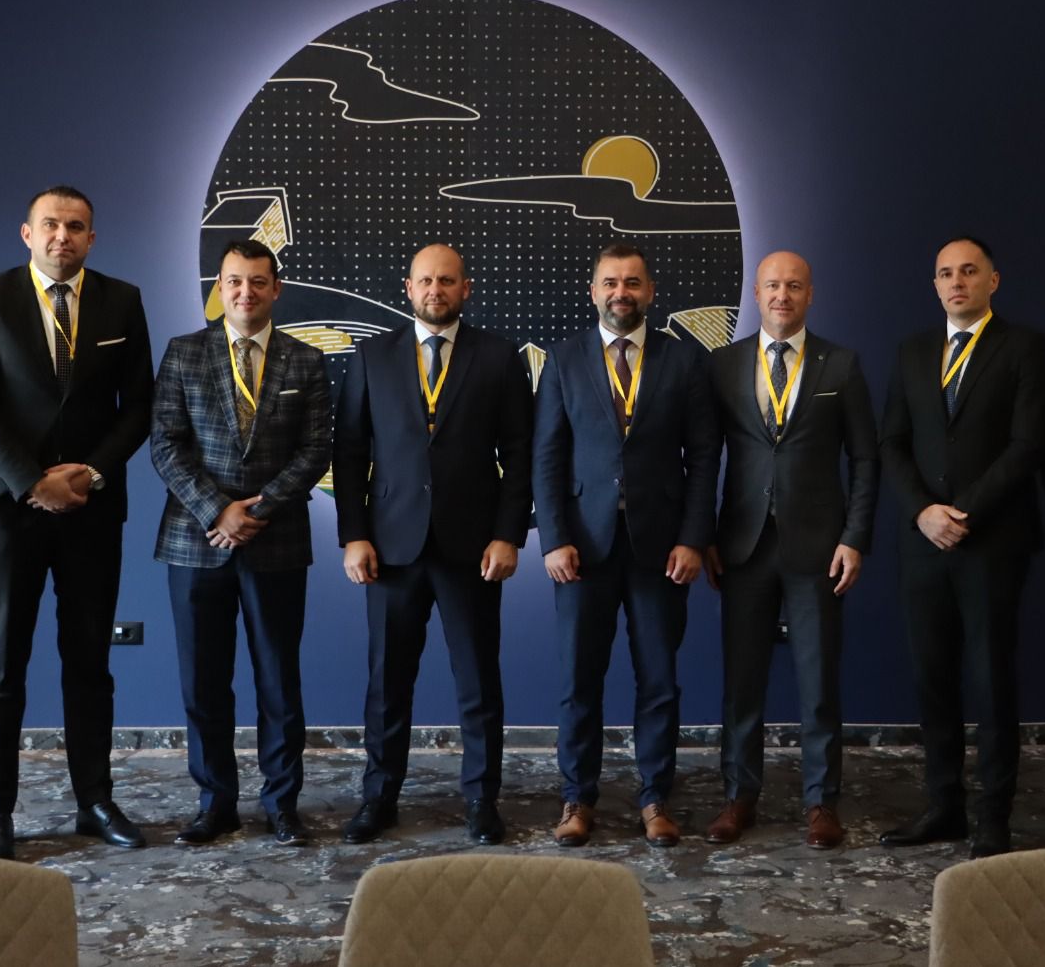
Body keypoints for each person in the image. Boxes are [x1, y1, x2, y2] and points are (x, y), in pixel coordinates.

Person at [0, 185, 153, 860]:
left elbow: (139, 406)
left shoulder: (121, 300)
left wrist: (88, 475)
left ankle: (94, 801)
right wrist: (33, 481)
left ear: (92, 238)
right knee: (1, 668)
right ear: (27, 233)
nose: (62, 235)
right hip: (9, 510)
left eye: (75, 226)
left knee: (90, 663)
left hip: (91, 510)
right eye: (50, 224)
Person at [333, 244, 533, 846]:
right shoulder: (372, 356)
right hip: (390, 548)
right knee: (387, 686)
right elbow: (349, 454)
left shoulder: (498, 357)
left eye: (447, 281)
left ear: (465, 288)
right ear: (408, 287)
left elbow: (521, 454)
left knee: (478, 683)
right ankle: (379, 797)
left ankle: (482, 800)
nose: (435, 290)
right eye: (425, 280)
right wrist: (354, 535)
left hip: (472, 549)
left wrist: (508, 534)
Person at [531, 243, 719, 847]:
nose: (621, 293)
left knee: (659, 682)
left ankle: (655, 798)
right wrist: (554, 539)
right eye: (610, 282)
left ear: (650, 291)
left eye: (632, 282)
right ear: (593, 291)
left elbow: (705, 459)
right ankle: (576, 799)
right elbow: (547, 457)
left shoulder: (685, 361)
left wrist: (693, 539)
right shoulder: (563, 360)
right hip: (582, 552)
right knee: (578, 683)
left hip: (660, 551)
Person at [149, 239, 331, 848]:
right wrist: (217, 510)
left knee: (279, 681)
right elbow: (165, 445)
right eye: (234, 281)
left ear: (276, 288)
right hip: (196, 540)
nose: (245, 292)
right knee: (203, 683)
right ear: (219, 288)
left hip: (276, 539)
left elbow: (316, 450)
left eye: (257, 281)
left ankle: (282, 804)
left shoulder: (306, 361)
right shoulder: (183, 353)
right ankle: (215, 804)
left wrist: (258, 509)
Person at [876, 237, 1045, 858]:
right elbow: (892, 442)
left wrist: (963, 513)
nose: (957, 282)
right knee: (933, 679)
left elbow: (1028, 445)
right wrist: (923, 512)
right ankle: (944, 806)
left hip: (991, 542)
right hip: (924, 541)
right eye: (946, 273)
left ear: (992, 281)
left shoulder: (1024, 347)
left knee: (992, 680)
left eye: (969, 271)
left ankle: (993, 816)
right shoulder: (913, 350)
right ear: (935, 285)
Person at [703, 251, 878, 850]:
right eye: (773, 285)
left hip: (819, 547)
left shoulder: (842, 364)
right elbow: (704, 457)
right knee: (741, 682)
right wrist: (704, 536)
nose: (783, 295)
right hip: (742, 546)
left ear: (810, 295)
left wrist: (854, 537)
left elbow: (866, 459)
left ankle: (821, 802)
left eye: (795, 286)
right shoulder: (723, 364)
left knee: (819, 680)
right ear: (757, 293)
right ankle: (738, 797)